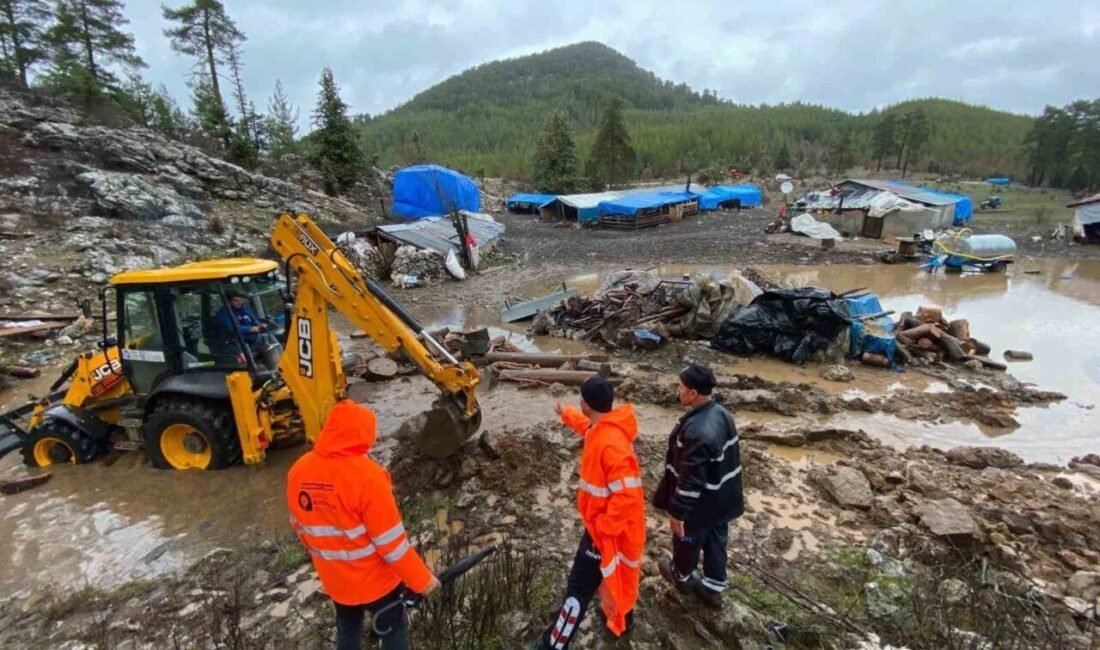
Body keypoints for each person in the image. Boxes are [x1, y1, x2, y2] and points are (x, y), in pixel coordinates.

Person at [287, 400, 440, 650]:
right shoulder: (369, 477)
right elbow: (392, 545)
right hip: (377, 582)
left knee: (347, 628)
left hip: (335, 579)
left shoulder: (298, 471)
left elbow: (300, 527)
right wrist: (422, 581)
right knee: (393, 629)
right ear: (364, 434)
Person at [534, 377, 646, 650]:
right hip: (612, 527)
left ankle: (552, 645)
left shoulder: (611, 445)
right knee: (620, 573)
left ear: (586, 403)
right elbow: (587, 426)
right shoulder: (605, 427)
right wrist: (566, 413)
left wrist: (603, 530)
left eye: (580, 400)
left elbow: (628, 496)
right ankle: (623, 618)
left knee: (578, 590)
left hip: (606, 531)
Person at [653, 363, 744, 609]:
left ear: (693, 393)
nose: (678, 391)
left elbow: (690, 480)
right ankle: (714, 587)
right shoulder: (722, 414)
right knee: (716, 541)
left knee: (687, 540)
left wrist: (677, 513)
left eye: (681, 387)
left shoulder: (697, 431)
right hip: (722, 498)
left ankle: (681, 576)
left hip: (701, 504)